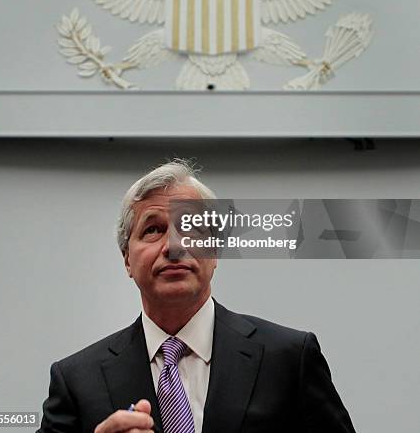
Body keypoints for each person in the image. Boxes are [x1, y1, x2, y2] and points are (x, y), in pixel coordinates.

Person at [37, 160, 357, 433]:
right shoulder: (77, 381)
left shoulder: (288, 359)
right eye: (153, 230)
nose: (174, 246)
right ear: (127, 260)